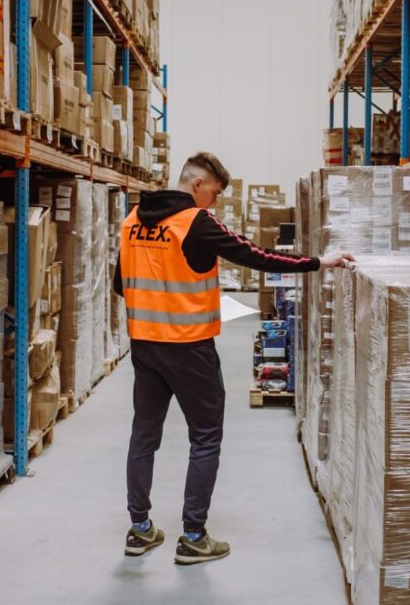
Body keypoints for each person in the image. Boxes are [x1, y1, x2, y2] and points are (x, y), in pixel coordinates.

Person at [114, 152, 353, 565]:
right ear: (197, 186)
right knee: (205, 437)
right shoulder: (195, 222)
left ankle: (139, 530)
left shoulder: (132, 220)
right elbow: (256, 256)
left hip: (145, 347)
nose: (216, 203)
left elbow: (122, 284)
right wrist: (317, 262)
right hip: (189, 348)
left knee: (144, 434)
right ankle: (193, 536)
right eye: (215, 193)